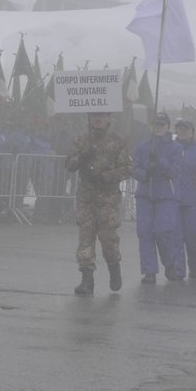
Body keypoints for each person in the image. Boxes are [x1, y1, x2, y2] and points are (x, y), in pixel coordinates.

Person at [64, 111, 133, 295]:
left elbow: (126, 169)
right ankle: (87, 279)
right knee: (85, 237)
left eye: (102, 116)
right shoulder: (82, 140)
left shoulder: (118, 141)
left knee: (108, 237)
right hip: (86, 197)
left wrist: (105, 177)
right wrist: (81, 158)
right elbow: (69, 165)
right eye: (95, 116)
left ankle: (114, 266)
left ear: (109, 119)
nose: (98, 119)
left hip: (108, 198)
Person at [132, 111, 186, 284]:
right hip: (145, 194)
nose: (159, 127)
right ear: (151, 126)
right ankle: (149, 271)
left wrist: (160, 160)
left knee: (162, 231)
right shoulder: (142, 146)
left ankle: (170, 262)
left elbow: (174, 171)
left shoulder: (176, 148)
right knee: (145, 233)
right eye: (156, 124)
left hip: (166, 195)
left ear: (167, 127)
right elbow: (134, 168)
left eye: (162, 124)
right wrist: (144, 173)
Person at [174, 118, 196, 276]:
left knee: (194, 235)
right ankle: (178, 270)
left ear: (192, 131)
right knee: (176, 237)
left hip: (194, 199)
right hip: (173, 200)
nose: (183, 131)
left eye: (186, 129)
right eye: (180, 128)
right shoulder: (171, 149)